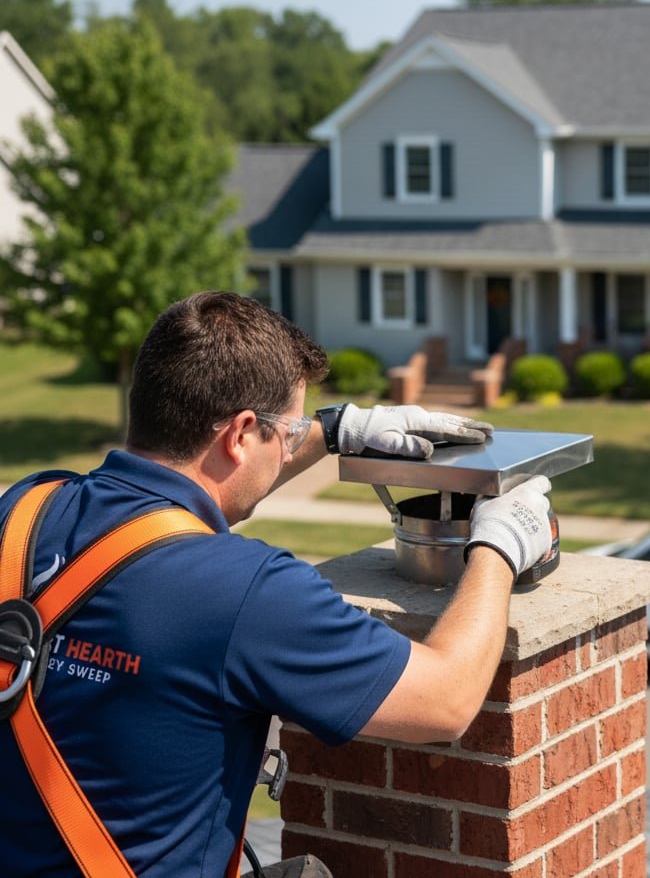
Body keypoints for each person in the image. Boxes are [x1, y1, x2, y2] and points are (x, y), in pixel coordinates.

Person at [0, 291, 554, 878]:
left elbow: (204, 482)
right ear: (241, 433)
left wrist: (336, 430)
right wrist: (498, 546)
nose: (295, 442)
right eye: (289, 432)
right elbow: (445, 701)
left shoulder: (24, 515)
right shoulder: (247, 593)